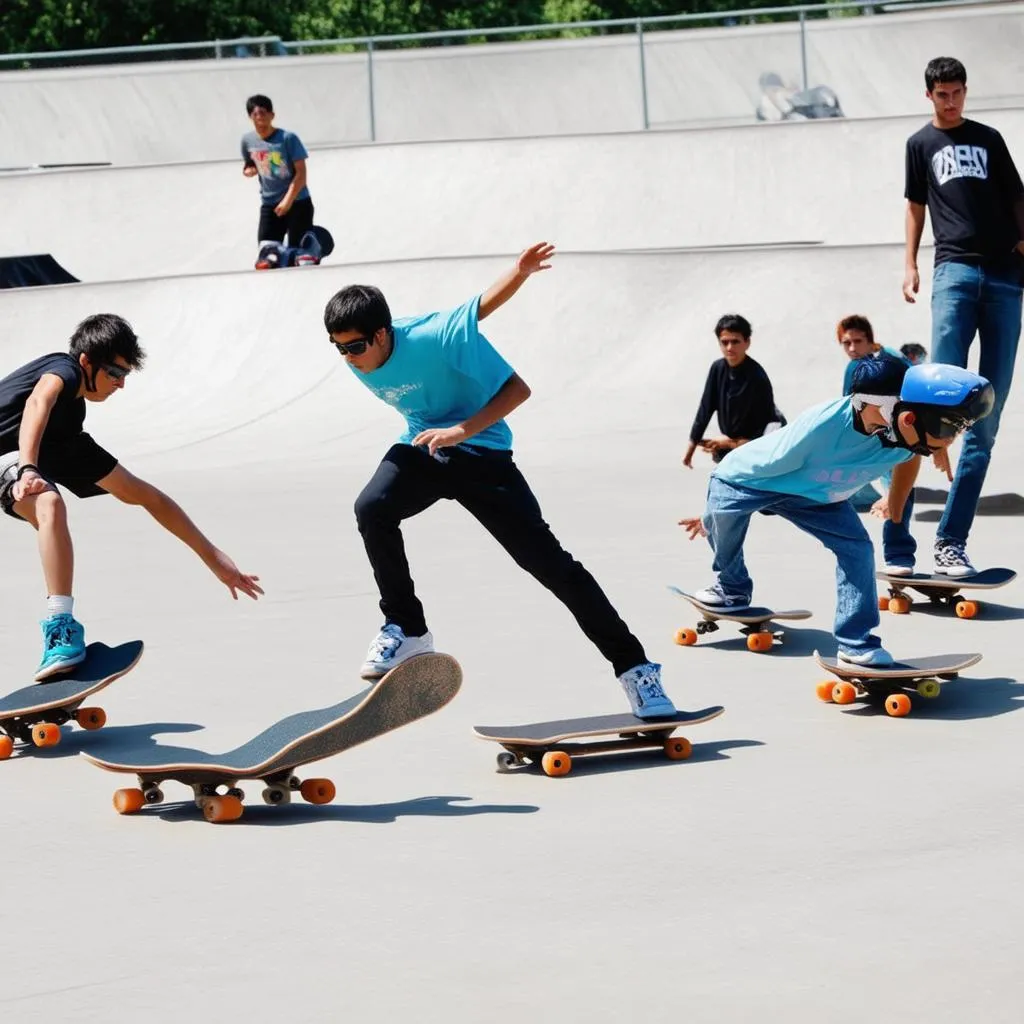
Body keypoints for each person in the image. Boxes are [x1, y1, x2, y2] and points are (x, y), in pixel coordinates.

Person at [322, 242, 677, 719]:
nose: (349, 358)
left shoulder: (431, 336)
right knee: (372, 508)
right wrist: (440, 436)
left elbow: (512, 374)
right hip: (425, 448)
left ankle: (636, 670)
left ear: (383, 334)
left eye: (357, 347)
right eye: (339, 349)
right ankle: (407, 629)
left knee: (551, 565)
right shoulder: (357, 356)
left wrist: (521, 271)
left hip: (484, 456)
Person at [0, 314, 264, 680]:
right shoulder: (63, 369)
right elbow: (38, 404)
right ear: (86, 362)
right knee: (47, 500)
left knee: (51, 505)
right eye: (114, 373)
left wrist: (214, 558)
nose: (121, 385)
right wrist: (29, 467)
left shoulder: (69, 436)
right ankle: (60, 627)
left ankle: (60, 628)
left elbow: (148, 498)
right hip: (12, 456)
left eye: (126, 376)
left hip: (19, 462)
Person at [679, 360, 993, 666]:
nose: (950, 437)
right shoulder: (821, 427)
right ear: (876, 406)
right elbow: (747, 469)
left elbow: (909, 457)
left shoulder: (901, 428)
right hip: (752, 479)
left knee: (857, 550)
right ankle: (731, 588)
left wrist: (894, 501)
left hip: (820, 497)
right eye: (946, 429)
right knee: (724, 514)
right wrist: (713, 515)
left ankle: (856, 643)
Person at [903, 55, 1024, 575]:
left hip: (1004, 278)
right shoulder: (920, 145)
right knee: (931, 402)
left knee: (986, 419)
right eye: (942, 94)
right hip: (952, 272)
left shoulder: (989, 138)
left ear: (965, 92)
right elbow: (915, 205)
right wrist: (908, 262)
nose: (951, 101)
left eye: (958, 93)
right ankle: (897, 539)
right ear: (928, 95)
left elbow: (1017, 197)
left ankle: (950, 542)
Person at [836, 315, 917, 574]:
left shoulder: (892, 362)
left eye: (857, 342)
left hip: (898, 435)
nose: (851, 348)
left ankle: (898, 554)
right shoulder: (854, 367)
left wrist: (891, 495)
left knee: (901, 488)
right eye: (846, 343)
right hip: (868, 436)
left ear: (871, 342)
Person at [683, 314, 785, 469]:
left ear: (747, 342)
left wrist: (733, 444)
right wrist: (691, 446)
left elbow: (769, 426)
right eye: (725, 342)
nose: (730, 347)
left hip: (765, 438)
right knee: (722, 462)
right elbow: (705, 408)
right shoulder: (717, 369)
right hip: (733, 441)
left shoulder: (757, 375)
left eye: (735, 341)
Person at [241, 94, 314, 266]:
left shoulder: (288, 138)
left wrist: (288, 200)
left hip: (297, 202)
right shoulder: (248, 141)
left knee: (300, 259)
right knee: (268, 257)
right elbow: (249, 163)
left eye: (263, 113)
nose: (259, 117)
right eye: (255, 113)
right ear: (250, 117)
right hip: (269, 203)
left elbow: (301, 174)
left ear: (272, 115)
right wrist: (248, 170)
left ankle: (314, 242)